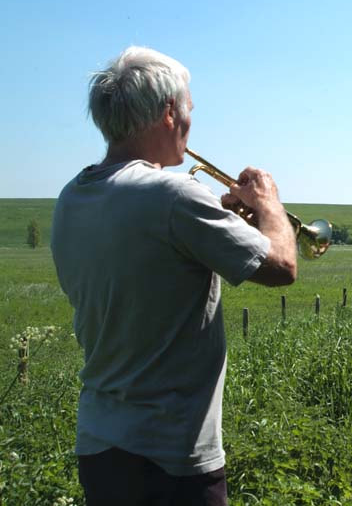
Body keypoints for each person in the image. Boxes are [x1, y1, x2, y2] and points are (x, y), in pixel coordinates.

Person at [51, 46, 298, 505]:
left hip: (101, 447)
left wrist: (222, 226)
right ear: (168, 113)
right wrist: (269, 205)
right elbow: (282, 267)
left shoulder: (72, 197)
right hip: (172, 452)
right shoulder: (174, 194)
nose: (189, 122)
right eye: (188, 110)